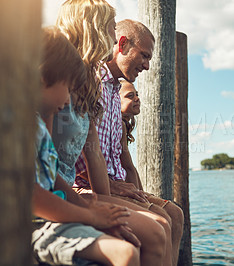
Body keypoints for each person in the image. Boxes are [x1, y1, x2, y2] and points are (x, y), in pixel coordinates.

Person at [52, 1, 171, 265]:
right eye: (108, 29)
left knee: (163, 220)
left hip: (70, 191)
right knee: (155, 228)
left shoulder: (89, 87)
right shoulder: (58, 83)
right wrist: (97, 208)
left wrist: (105, 203)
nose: (113, 37)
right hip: (65, 193)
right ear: (91, 29)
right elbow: (45, 167)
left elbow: (97, 154)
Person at [74, 19, 183, 265]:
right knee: (160, 223)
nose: (146, 66)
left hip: (109, 184)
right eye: (144, 56)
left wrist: (137, 192)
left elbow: (122, 160)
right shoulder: (93, 83)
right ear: (121, 44)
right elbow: (85, 154)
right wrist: (112, 188)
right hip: (86, 187)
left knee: (174, 214)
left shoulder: (114, 90)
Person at [33, 26, 140, 266]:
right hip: (31, 225)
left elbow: (50, 180)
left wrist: (87, 209)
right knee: (126, 254)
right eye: (68, 89)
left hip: (51, 215)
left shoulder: (38, 127)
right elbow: (34, 196)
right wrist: (90, 215)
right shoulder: (22, 131)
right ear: (43, 78)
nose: (69, 100)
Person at [119, 80, 185, 265]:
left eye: (137, 94)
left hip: (124, 186)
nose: (137, 99)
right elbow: (128, 167)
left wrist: (143, 194)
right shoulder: (116, 124)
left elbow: (129, 168)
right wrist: (142, 197)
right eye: (130, 96)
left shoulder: (122, 124)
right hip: (111, 189)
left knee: (176, 214)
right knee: (165, 217)